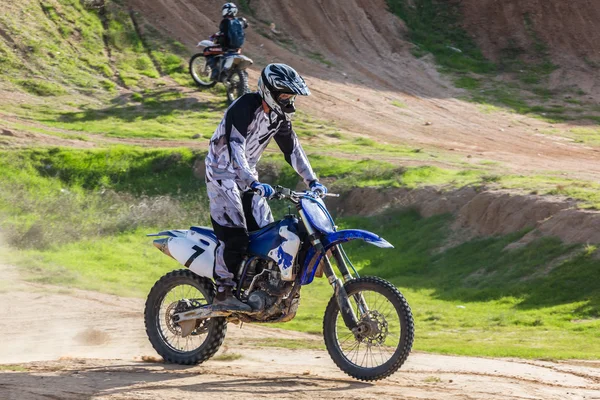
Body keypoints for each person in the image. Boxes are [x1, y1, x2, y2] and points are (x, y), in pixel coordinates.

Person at [205, 63, 328, 311]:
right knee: (235, 233)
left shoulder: (279, 117)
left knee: (265, 234)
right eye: (285, 95)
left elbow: (293, 150)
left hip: (248, 175)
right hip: (223, 172)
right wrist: (252, 182)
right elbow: (235, 147)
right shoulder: (245, 106)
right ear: (270, 91)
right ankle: (223, 290)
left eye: (291, 96)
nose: (289, 101)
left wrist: (312, 181)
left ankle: (257, 286)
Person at [211, 3, 248, 81]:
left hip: (226, 47)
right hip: (237, 48)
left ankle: (215, 74)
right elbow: (246, 25)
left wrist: (215, 37)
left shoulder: (225, 21)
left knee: (210, 52)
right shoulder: (240, 21)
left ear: (227, 11)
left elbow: (222, 33)